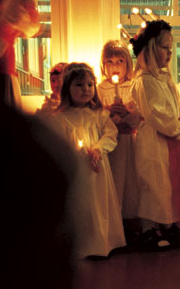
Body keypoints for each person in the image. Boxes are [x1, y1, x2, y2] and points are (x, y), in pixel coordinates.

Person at [129, 21, 180, 250]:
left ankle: (167, 224)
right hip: (154, 141)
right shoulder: (145, 81)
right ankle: (149, 229)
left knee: (169, 184)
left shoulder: (164, 78)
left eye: (170, 48)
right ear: (151, 49)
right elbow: (157, 115)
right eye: (165, 47)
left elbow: (174, 107)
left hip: (169, 139)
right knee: (154, 184)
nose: (170, 52)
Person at [51, 63, 125, 259]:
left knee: (99, 203)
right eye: (79, 85)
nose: (86, 90)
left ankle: (103, 242)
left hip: (97, 167)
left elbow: (111, 134)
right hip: (76, 169)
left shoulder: (100, 115)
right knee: (80, 205)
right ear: (68, 88)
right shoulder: (60, 118)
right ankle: (81, 244)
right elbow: (59, 142)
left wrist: (98, 149)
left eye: (90, 85)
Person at [96, 40, 143, 244]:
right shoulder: (99, 89)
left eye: (120, 61)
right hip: (111, 146)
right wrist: (107, 112)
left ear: (128, 64)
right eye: (110, 61)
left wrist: (127, 113)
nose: (115, 66)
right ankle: (114, 227)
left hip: (130, 142)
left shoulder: (134, 86)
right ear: (103, 64)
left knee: (132, 183)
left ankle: (132, 225)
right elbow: (95, 115)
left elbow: (140, 116)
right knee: (114, 183)